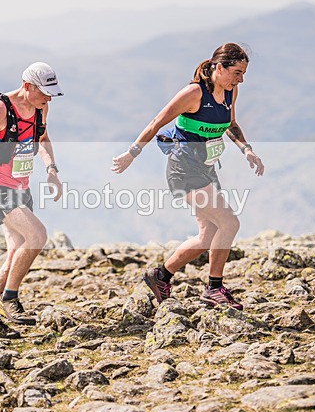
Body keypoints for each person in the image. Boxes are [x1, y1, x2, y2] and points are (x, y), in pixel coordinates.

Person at [112, 43, 264, 310]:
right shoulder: (194, 93)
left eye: (243, 74)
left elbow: (231, 124)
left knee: (208, 235)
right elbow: (156, 123)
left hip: (206, 168)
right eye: (237, 73)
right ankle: (214, 289)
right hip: (183, 170)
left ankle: (160, 276)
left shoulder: (230, 91)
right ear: (220, 67)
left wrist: (247, 150)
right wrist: (131, 154)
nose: (241, 79)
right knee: (229, 223)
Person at [0, 62, 64, 338]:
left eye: (52, 94)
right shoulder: (0, 109)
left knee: (16, 251)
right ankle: (10, 298)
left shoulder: (41, 107)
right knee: (37, 235)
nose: (49, 99)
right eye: (44, 92)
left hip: (21, 186)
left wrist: (51, 169)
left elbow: (42, 138)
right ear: (27, 86)